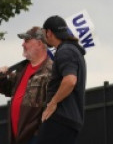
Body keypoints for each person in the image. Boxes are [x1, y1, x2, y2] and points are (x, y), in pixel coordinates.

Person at [35, 16, 86, 144]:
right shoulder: (72, 50)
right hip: (69, 120)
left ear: (49, 32)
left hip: (60, 119)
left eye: (44, 33)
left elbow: (70, 80)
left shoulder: (65, 51)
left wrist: (53, 103)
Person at [0, 26, 54, 144]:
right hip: (17, 136)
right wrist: (2, 77)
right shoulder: (22, 68)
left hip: (36, 138)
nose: (23, 44)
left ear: (39, 43)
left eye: (27, 41)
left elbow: (53, 106)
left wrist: (40, 134)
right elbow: (9, 89)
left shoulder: (51, 71)